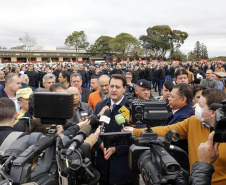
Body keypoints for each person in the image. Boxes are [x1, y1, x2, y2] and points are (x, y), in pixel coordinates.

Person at [123, 88, 226, 185]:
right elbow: (166, 130)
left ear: (213, 112)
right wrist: (136, 131)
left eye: (200, 105)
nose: (195, 107)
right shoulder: (193, 121)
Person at [92, 74, 133, 185]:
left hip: (122, 166)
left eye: (118, 87)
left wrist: (116, 148)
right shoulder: (100, 105)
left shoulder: (132, 107)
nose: (114, 90)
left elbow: (136, 135)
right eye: (112, 86)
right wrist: (100, 144)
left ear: (124, 88)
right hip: (102, 164)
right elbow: (92, 129)